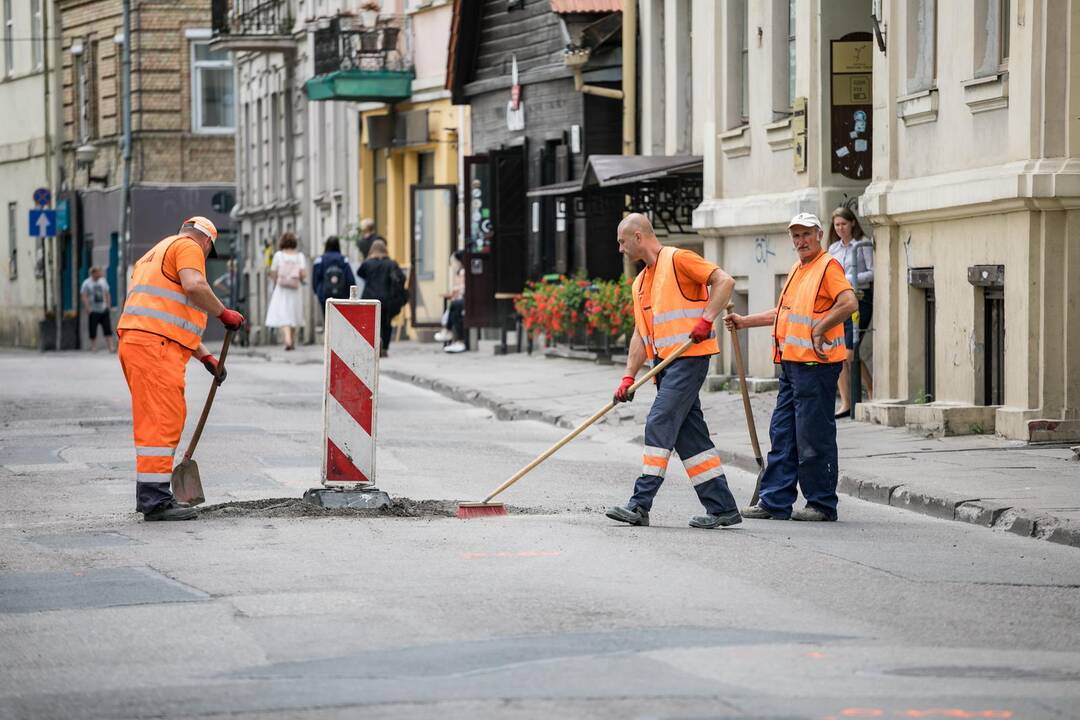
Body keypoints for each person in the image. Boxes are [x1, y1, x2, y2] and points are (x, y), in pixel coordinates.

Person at [604, 213, 742, 530]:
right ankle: (722, 507)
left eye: (622, 242)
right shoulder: (640, 283)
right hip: (664, 365)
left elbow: (725, 281)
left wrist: (706, 319)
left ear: (639, 237)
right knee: (691, 438)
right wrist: (629, 377)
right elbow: (641, 335)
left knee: (660, 420)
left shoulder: (679, 260)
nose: (620, 249)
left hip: (689, 357)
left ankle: (640, 504)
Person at [724, 212, 858, 522]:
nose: (800, 241)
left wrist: (821, 327)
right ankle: (775, 502)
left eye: (806, 235)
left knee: (813, 435)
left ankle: (821, 503)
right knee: (782, 432)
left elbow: (849, 303)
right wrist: (746, 322)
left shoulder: (827, 266)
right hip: (792, 364)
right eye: (796, 236)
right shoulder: (799, 268)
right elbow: (784, 313)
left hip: (816, 366)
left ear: (819, 235)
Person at [116, 216, 245, 521]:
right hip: (153, 347)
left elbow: (165, 315)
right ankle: (156, 501)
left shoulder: (154, 253)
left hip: (142, 342)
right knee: (161, 422)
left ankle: (151, 493)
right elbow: (195, 285)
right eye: (208, 250)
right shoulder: (189, 247)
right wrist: (223, 313)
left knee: (160, 419)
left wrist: (205, 357)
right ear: (206, 241)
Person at [828, 207, 874, 417]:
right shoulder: (833, 249)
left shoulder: (862, 244)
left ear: (852, 223)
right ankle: (846, 402)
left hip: (860, 300)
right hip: (840, 301)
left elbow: (872, 272)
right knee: (839, 353)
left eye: (843, 224)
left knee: (849, 351)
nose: (840, 229)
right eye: (837, 225)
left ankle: (871, 390)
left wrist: (849, 279)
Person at [358, 239, 407, 358]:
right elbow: (401, 278)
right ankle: (384, 348)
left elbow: (360, 273)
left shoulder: (367, 263)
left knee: (371, 323)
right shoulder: (391, 263)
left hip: (370, 298)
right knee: (386, 323)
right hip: (386, 298)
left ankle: (373, 345)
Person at [265, 232, 307, 350]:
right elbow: (303, 274)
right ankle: (291, 340)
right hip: (295, 288)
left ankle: (288, 340)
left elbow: (273, 272)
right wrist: (300, 279)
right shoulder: (300, 256)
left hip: (281, 288)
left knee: (284, 314)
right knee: (294, 314)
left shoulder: (279, 255)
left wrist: (275, 281)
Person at [312, 236, 357, 309]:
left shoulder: (320, 260)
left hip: (324, 296)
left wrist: (317, 292)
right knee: (341, 318)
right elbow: (350, 279)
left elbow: (315, 279)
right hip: (342, 296)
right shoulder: (344, 259)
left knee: (327, 318)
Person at [435, 250, 466, 353]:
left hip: (466, 301)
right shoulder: (460, 272)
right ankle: (449, 334)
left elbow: (464, 288)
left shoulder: (463, 272)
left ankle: (453, 336)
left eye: (454, 262)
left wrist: (456, 290)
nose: (452, 265)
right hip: (462, 300)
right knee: (453, 307)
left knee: (455, 306)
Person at [80, 266, 115, 352]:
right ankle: (94, 347)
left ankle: (111, 347)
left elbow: (107, 293)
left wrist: (108, 306)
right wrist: (88, 308)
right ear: (93, 273)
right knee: (93, 329)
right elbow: (84, 295)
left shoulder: (103, 281)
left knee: (107, 328)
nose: (100, 274)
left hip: (103, 309)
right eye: (98, 272)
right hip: (93, 310)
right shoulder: (86, 283)